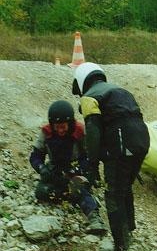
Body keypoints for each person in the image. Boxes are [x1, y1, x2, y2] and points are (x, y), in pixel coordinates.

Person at [71, 62, 150, 251]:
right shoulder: (119, 91)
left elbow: (93, 131)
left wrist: (92, 162)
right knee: (124, 188)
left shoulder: (89, 97)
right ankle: (129, 231)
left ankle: (121, 246)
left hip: (122, 145)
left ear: (82, 81)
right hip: (142, 142)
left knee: (113, 193)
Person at [29, 100, 107, 235]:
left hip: (76, 169)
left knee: (80, 189)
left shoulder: (80, 131)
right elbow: (35, 156)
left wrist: (79, 170)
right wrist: (41, 168)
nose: (60, 130)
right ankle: (69, 196)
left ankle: (95, 219)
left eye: (63, 127)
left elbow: (89, 157)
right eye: (57, 127)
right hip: (55, 170)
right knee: (41, 192)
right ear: (52, 124)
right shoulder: (46, 132)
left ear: (70, 124)